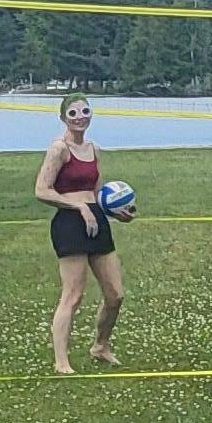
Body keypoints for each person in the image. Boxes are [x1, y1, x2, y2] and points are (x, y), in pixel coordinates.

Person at [33, 95, 124, 374]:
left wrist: (114, 210)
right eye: (73, 112)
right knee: (73, 295)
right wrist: (77, 206)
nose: (80, 116)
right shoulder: (59, 149)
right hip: (70, 222)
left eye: (85, 111)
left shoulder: (93, 148)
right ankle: (61, 361)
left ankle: (100, 346)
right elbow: (42, 190)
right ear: (64, 118)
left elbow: (95, 191)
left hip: (95, 217)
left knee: (115, 294)